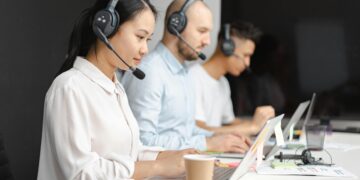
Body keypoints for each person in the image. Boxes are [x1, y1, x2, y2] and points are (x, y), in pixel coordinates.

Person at [37, 0, 197, 179]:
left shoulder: (116, 88)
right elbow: (81, 173)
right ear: (106, 28)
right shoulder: (69, 88)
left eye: (148, 39)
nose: (145, 49)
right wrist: (158, 167)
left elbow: (130, 152)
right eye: (140, 37)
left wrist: (171, 156)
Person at [121, 0, 251, 153]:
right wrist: (207, 144)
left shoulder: (184, 72)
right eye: (202, 31)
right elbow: (142, 141)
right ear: (176, 25)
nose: (208, 41)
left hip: (181, 168)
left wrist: (222, 137)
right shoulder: (150, 72)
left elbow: (185, 130)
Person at [189, 22, 275, 136]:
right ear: (227, 47)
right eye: (245, 55)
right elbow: (198, 130)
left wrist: (260, 123)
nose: (247, 63)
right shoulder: (193, 77)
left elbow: (229, 123)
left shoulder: (223, 83)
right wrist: (252, 128)